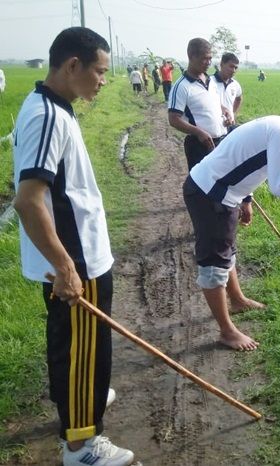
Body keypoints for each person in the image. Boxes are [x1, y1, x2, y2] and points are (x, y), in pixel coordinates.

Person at [12, 27, 134, 466]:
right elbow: (27, 200)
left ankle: (86, 396)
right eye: (100, 72)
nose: (103, 80)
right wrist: (66, 267)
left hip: (78, 253)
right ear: (72, 66)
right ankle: (81, 445)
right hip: (76, 259)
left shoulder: (52, 106)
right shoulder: (46, 115)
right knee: (83, 347)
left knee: (79, 345)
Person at [182, 101, 280, 350]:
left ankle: (237, 300)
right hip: (209, 194)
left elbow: (247, 160)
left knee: (227, 251)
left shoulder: (278, 125)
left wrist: (246, 199)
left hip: (221, 192)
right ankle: (226, 331)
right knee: (214, 263)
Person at [168, 38, 228, 171]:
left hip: (221, 141)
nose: (209, 63)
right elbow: (173, 119)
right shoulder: (182, 86)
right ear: (191, 56)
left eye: (210, 58)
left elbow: (214, 103)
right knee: (201, 185)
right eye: (205, 58)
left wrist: (225, 111)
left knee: (221, 183)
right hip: (199, 145)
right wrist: (199, 132)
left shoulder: (211, 81)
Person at [213, 52, 243, 132]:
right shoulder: (209, 82)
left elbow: (239, 98)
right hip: (214, 128)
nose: (233, 70)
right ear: (222, 64)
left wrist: (232, 113)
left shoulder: (235, 84)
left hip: (230, 126)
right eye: (231, 66)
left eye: (235, 68)